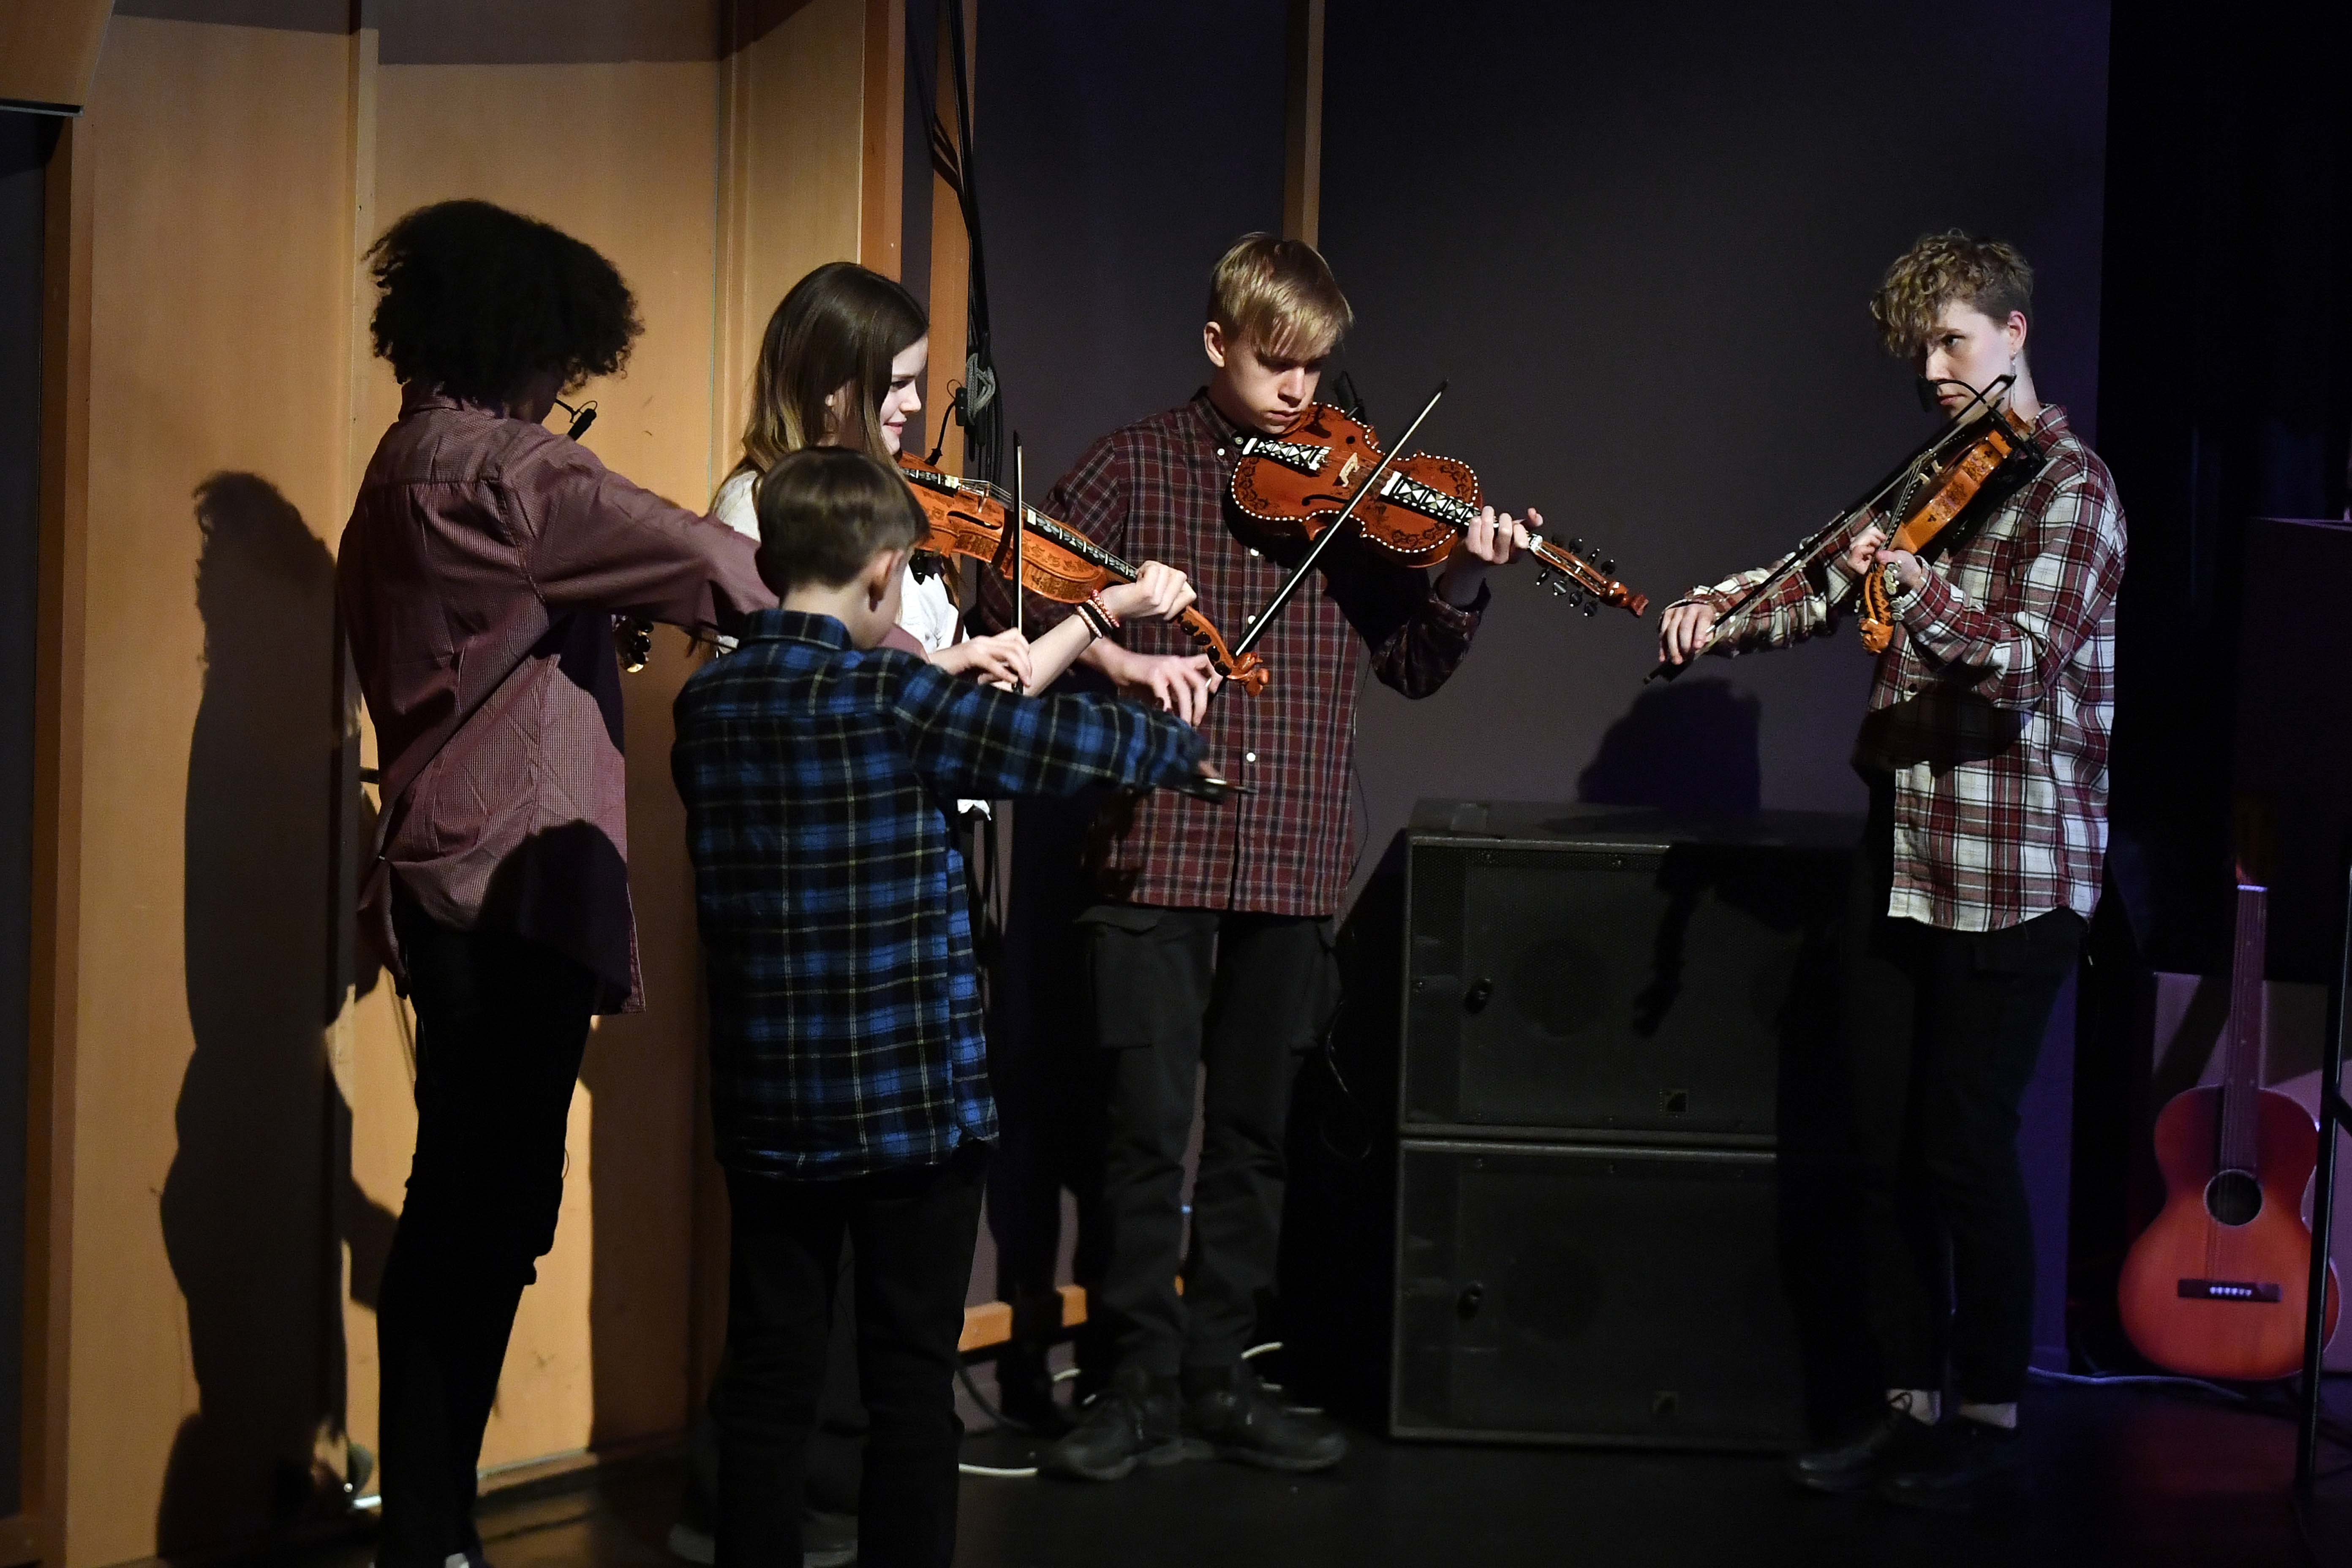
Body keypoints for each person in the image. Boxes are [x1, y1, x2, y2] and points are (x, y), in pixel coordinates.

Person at [669, 260, 1210, 1568]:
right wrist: (1176, 748)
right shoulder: (893, 695)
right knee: (910, 1379)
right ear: (878, 575)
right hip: (906, 1097)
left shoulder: (705, 707)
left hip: (768, 1097)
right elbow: (1052, 748)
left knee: (772, 1372)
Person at [985, 234, 1533, 1481]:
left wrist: (1459, 573)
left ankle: (1220, 1376)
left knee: (1253, 1136)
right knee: (1137, 1135)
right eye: (1275, 363)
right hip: (1153, 845)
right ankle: (1130, 1383)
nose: (1299, 393)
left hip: (1289, 849)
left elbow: (1411, 664)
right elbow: (1019, 599)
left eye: (1316, 370)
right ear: (1215, 342)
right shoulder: (1128, 466)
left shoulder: (1352, 489)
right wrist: (1116, 647)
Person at [335, 199, 775, 1568]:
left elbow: (476, 641)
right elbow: (726, 565)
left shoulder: (397, 468)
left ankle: (434, 1523)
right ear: (526, 343)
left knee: (472, 1199)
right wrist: (886, 631)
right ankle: (431, 1532)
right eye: (560, 367)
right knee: (486, 1212)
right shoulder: (516, 475)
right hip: (514, 879)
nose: (559, 395)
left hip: (437, 873)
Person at [1657, 230, 2126, 1511]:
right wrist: (1719, 612)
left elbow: (2020, 661)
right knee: (1882, 1145)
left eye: (1951, 342)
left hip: (2013, 868)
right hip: (1906, 848)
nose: (1931, 370)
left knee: (1964, 1145)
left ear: (2014, 334)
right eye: (1919, 349)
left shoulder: (2072, 492)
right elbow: (1819, 574)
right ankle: (1904, 1401)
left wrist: (1912, 592)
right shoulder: (1936, 475)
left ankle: (1987, 1411)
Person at [711, 261, 1208, 706]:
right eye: (898, 384)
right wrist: (948, 664)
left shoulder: (895, 499)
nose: (915, 404)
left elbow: (987, 697)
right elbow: (789, 697)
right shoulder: (756, 507)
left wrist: (1106, 609)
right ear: (829, 386)